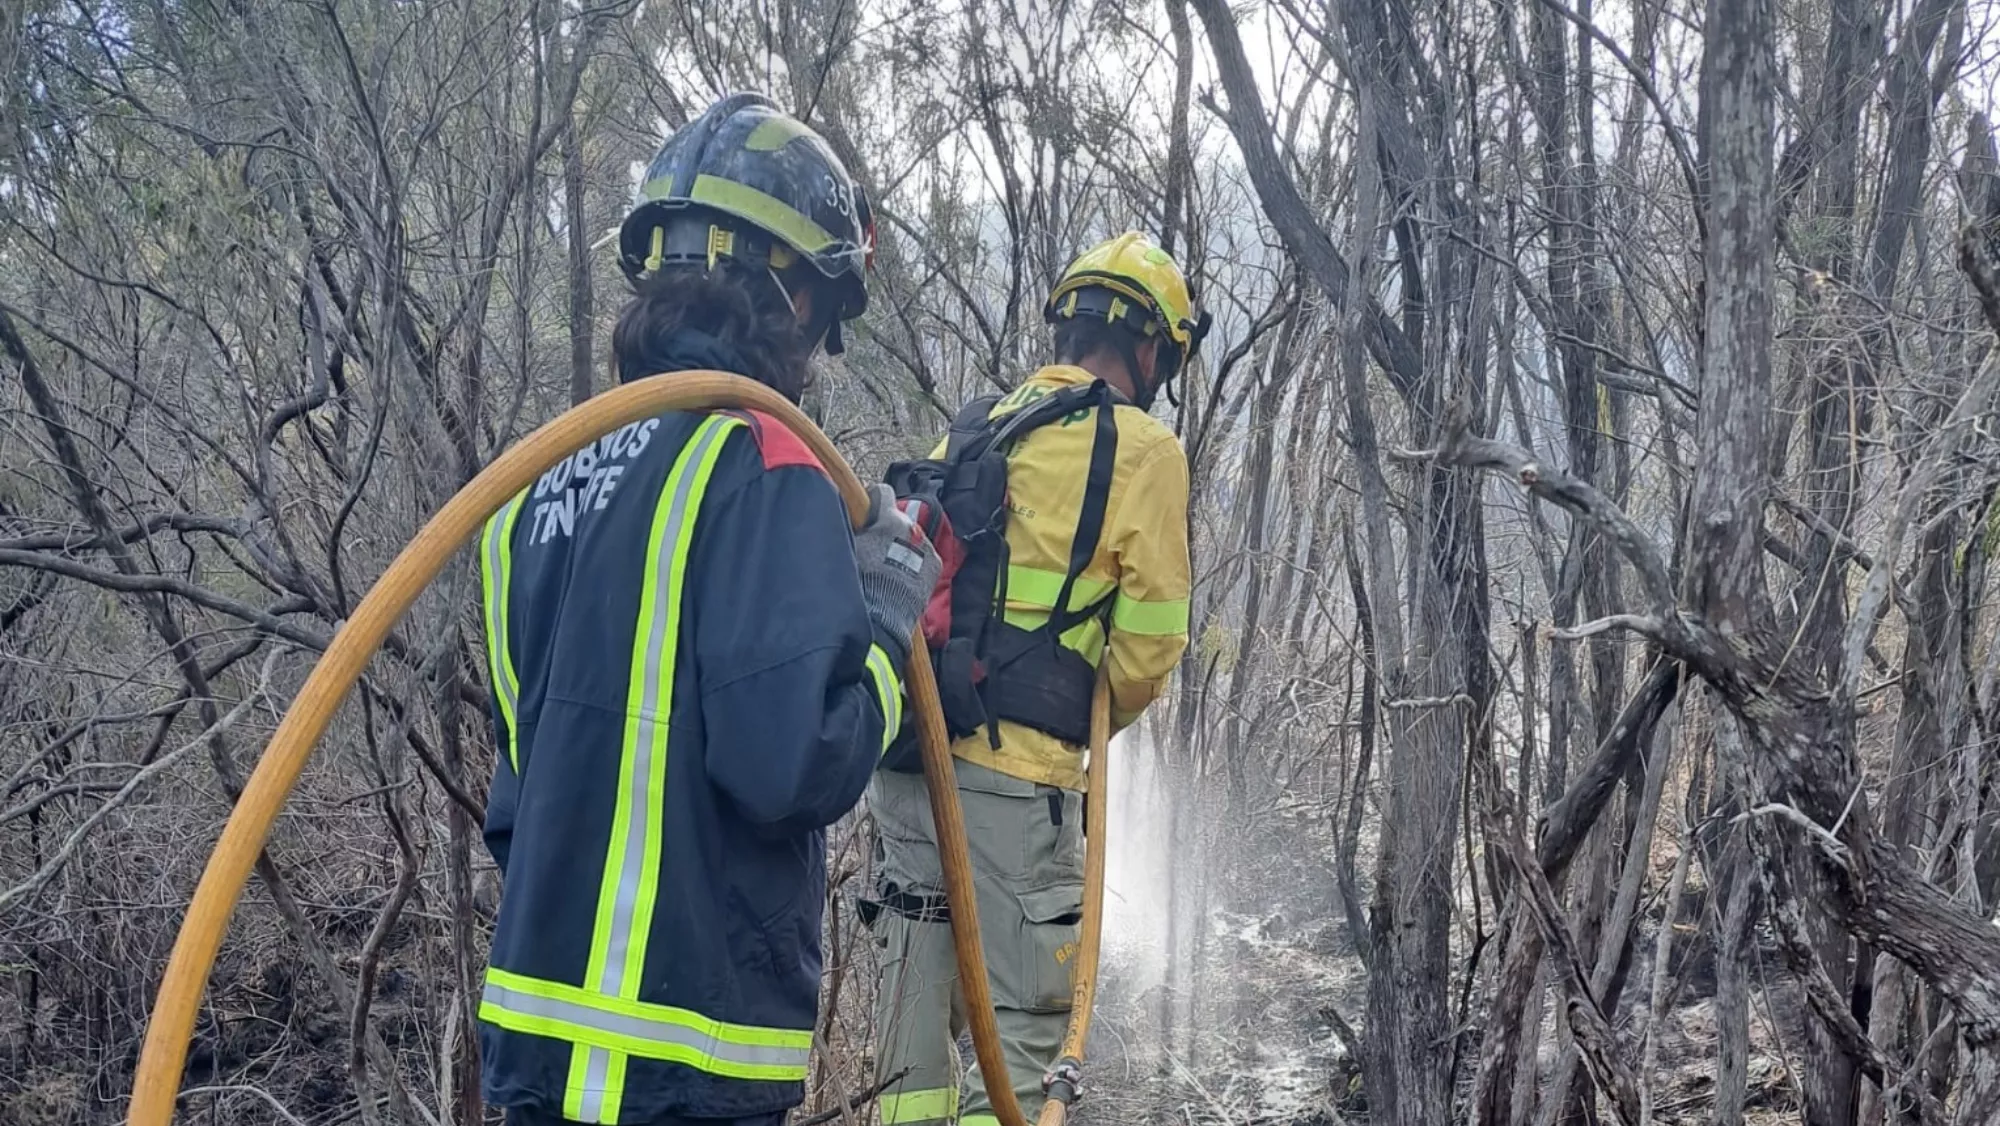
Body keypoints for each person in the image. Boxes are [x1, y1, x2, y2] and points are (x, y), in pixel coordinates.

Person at [474, 92, 940, 1126]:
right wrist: (883, 619)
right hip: (684, 1059)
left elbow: (519, 794)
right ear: (791, 297)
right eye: (821, 317)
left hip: (541, 1052)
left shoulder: (532, 494)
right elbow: (793, 764)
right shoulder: (765, 461)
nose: (814, 361)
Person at [868, 233, 1203, 1125]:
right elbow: (1146, 652)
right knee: (1014, 1055)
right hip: (1018, 804)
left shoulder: (974, 424)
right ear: (1149, 349)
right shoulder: (1145, 451)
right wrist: (1075, 715)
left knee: (906, 1062)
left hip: (909, 775)